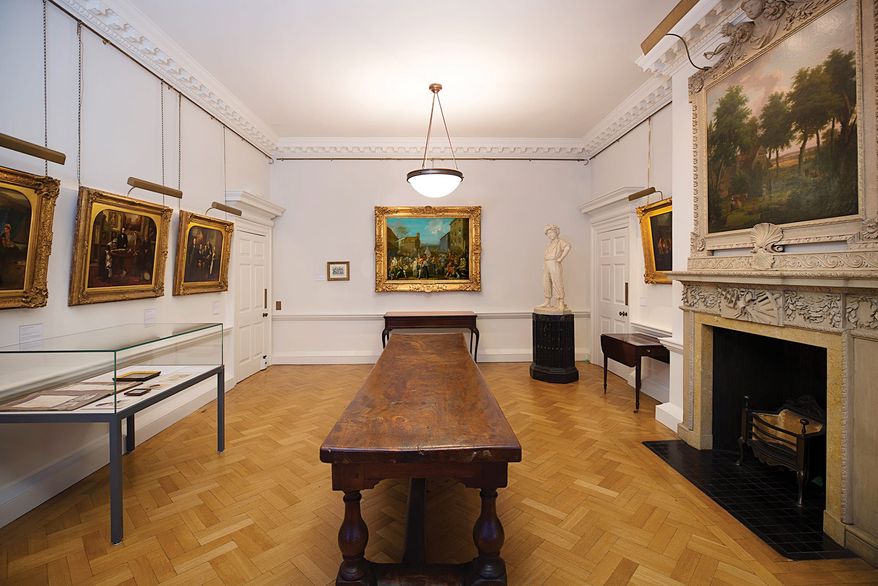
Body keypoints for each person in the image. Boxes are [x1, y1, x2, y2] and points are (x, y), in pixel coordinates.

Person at [537, 224, 571, 311]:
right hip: (547, 264)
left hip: (554, 263)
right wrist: (544, 264)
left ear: (556, 232)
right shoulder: (549, 243)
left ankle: (560, 301)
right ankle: (547, 301)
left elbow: (567, 247)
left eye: (551, 232)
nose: (550, 235)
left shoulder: (560, 241)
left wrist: (561, 258)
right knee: (546, 282)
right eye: (548, 233)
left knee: (557, 281)